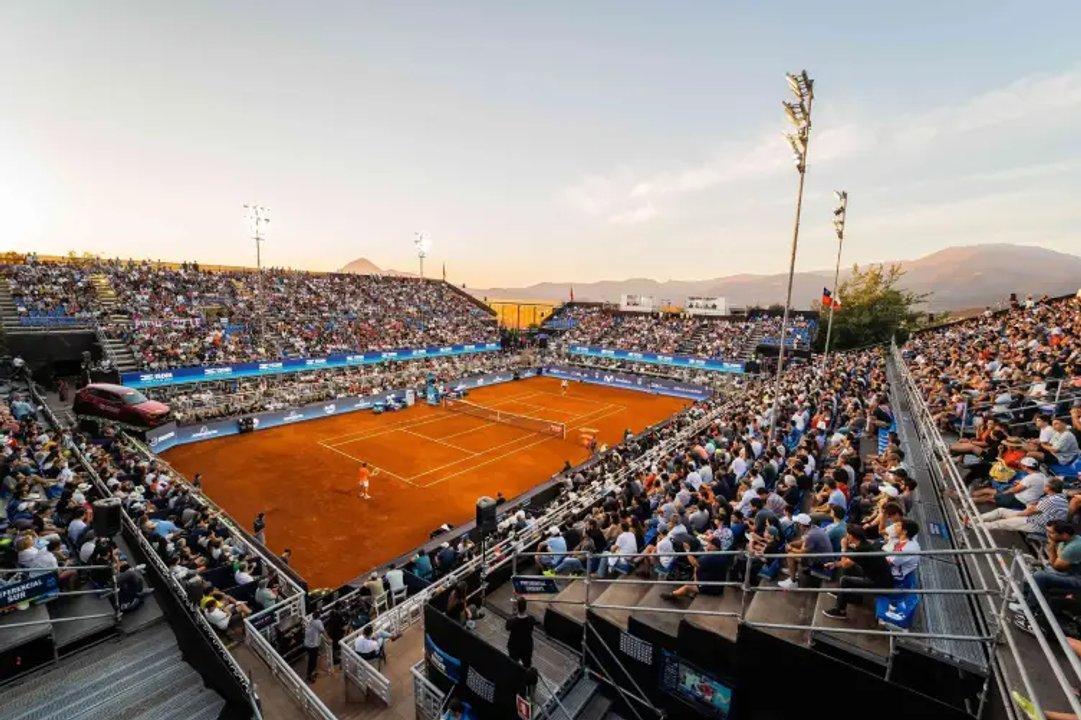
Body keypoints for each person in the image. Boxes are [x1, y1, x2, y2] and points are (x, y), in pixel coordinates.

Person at [821, 525, 894, 619]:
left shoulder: (862, 549)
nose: (846, 536)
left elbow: (845, 564)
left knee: (844, 580)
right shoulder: (865, 544)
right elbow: (848, 562)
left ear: (851, 536)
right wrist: (834, 564)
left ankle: (840, 611)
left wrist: (843, 547)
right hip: (879, 577)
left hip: (879, 583)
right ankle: (849, 596)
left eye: (847, 534)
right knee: (851, 568)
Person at [505, 596, 536, 667]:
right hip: (526, 646)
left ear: (517, 608)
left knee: (513, 665)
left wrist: (513, 614)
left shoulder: (512, 621)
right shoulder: (531, 619)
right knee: (527, 665)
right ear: (525, 607)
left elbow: (507, 627)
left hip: (514, 646)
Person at [303, 611, 325, 683]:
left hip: (307, 644)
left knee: (312, 660)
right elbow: (323, 631)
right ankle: (310, 676)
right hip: (312, 645)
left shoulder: (311, 621)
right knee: (312, 661)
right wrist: (328, 639)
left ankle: (311, 673)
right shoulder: (318, 622)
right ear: (318, 616)